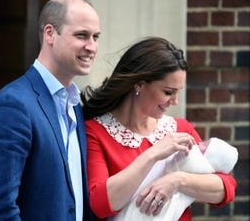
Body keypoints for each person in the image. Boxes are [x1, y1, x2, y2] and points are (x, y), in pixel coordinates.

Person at [81, 37, 237, 221]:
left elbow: (226, 188)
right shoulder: (95, 132)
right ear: (139, 84)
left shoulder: (180, 129)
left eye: (178, 92)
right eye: (168, 92)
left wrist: (177, 181)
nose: (175, 101)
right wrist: (152, 154)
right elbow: (100, 204)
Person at [0, 0, 100, 220]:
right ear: (50, 34)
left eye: (96, 37)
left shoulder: (75, 104)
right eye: (81, 35)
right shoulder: (13, 106)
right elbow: (0, 212)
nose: (91, 46)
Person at [114, 137, 238, 221]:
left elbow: (228, 186)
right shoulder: (98, 131)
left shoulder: (185, 136)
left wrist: (177, 180)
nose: (199, 143)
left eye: (205, 144)